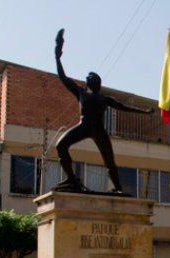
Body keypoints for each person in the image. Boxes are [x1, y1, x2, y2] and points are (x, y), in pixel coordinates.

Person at [54, 29, 154, 193]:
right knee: (61, 146)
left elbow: (125, 108)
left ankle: (119, 188)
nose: (87, 78)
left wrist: (145, 112)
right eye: (87, 77)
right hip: (84, 125)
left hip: (98, 129)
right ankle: (71, 179)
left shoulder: (104, 99)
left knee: (109, 161)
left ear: (96, 82)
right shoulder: (81, 93)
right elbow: (63, 77)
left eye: (90, 77)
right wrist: (57, 57)